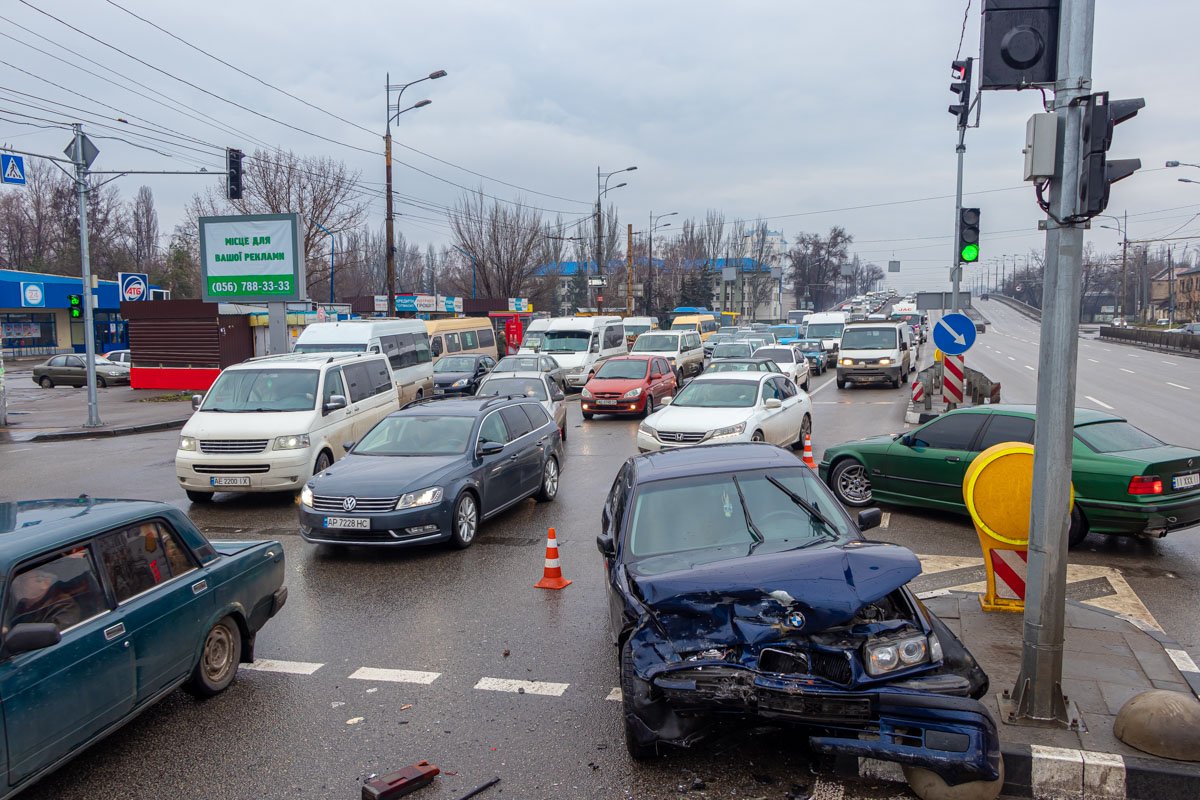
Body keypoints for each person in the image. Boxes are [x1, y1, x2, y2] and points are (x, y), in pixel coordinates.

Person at [10, 567, 83, 630]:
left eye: (23, 579)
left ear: (45, 583)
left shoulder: (64, 606)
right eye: (17, 580)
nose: (17, 584)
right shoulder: (20, 604)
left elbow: (48, 638)